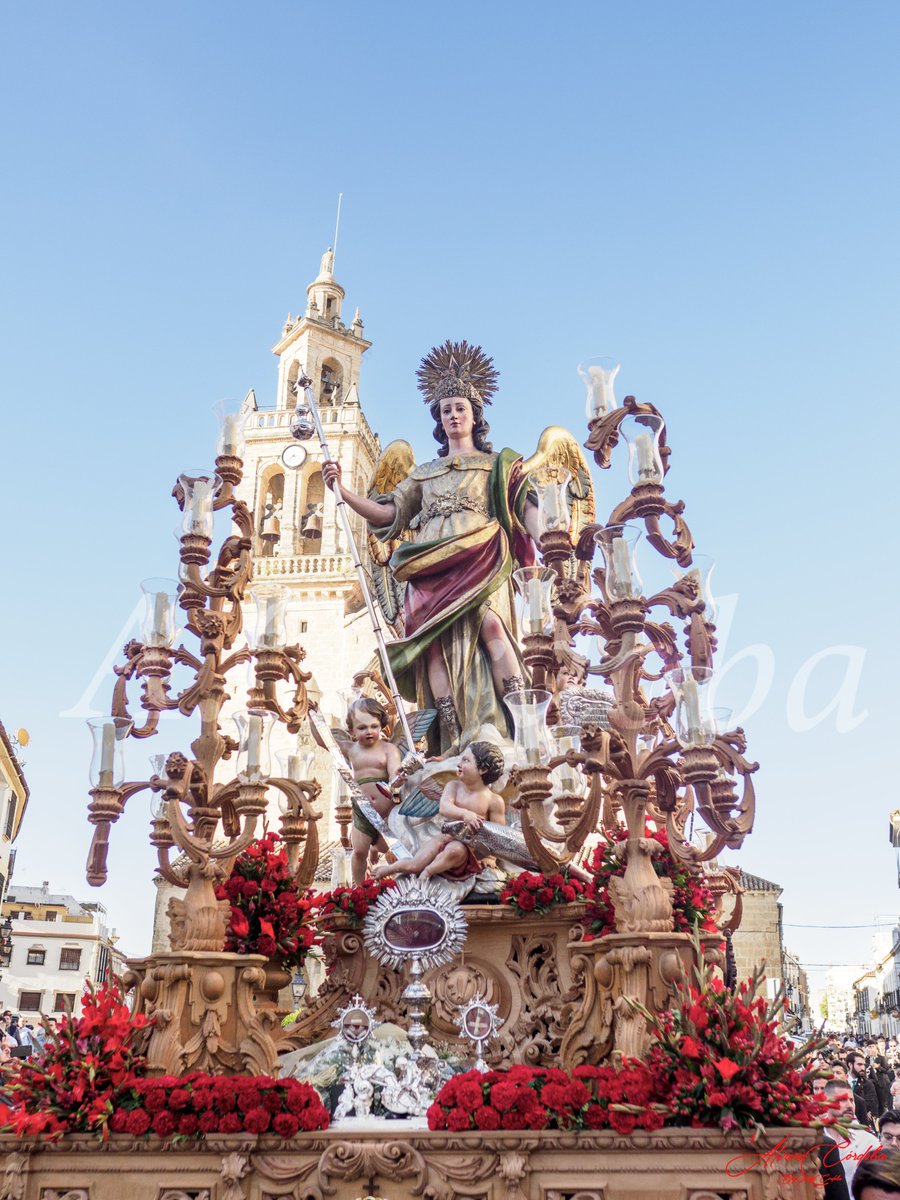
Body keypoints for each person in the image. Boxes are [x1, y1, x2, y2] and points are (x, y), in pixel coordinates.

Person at [322, 341, 540, 754]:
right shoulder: (423, 473)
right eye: (446, 411)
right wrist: (344, 491)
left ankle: (520, 718)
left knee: (492, 626)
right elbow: (389, 515)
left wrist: (552, 538)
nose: (453, 415)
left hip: (484, 559)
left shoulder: (499, 465)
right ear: (439, 422)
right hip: (429, 568)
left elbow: (525, 507)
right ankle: (450, 730)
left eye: (460, 407)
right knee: (433, 646)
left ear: (475, 416)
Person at [372, 741, 506, 882]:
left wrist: (490, 858)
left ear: (482, 769)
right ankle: (389, 869)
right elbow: (444, 807)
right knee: (416, 863)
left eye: (466, 760)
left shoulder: (494, 801)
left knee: (456, 850)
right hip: (444, 837)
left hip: (468, 849)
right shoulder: (454, 786)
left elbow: (497, 837)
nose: (459, 764)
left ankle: (428, 873)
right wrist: (465, 814)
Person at [344, 697, 405, 887]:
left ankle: (398, 884)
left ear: (381, 726)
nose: (369, 732)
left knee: (392, 850)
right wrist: (315, 717)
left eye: (374, 726)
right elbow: (324, 741)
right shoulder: (352, 749)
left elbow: (395, 772)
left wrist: (399, 779)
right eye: (362, 728)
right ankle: (360, 888)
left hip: (387, 811)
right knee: (359, 851)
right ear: (352, 731)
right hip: (363, 810)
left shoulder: (389, 749)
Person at [820, 1080, 883, 1200]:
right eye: (843, 1100)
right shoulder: (812, 1139)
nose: (850, 1105)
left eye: (851, 1100)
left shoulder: (869, 1143)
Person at [849, 1052, 880, 1128]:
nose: (863, 1068)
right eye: (859, 1064)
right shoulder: (842, 1082)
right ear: (850, 1065)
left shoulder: (868, 1084)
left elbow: (868, 1104)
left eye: (863, 1064)